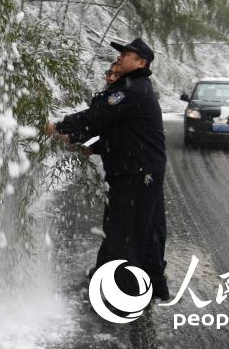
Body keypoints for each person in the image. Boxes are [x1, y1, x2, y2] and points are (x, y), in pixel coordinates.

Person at [47, 38, 168, 300]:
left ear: (141, 62)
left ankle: (118, 293)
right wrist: (91, 147)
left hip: (137, 174)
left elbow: (96, 118)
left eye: (127, 54)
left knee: (124, 233)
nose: (121, 57)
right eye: (122, 53)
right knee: (144, 231)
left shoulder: (132, 90)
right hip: (141, 171)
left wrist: (59, 127)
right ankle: (148, 284)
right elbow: (121, 131)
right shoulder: (134, 88)